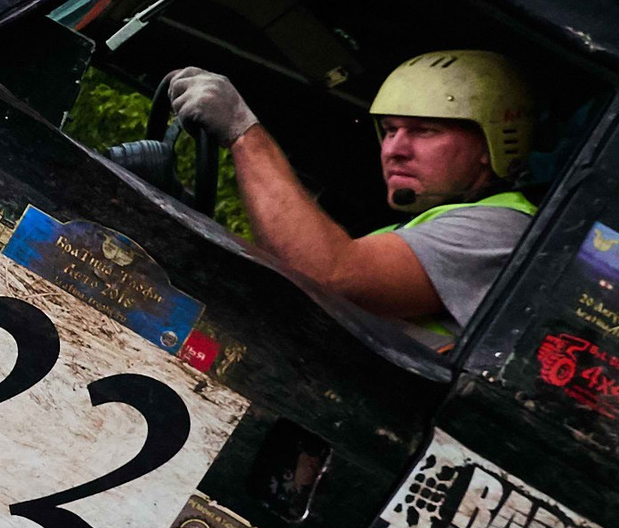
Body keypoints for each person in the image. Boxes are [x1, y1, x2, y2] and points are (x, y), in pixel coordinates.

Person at [163, 49, 535, 342]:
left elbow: (329, 274)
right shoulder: (425, 227)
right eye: (389, 130)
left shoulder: (505, 229)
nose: (394, 149)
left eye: (425, 131)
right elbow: (289, 282)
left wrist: (243, 133)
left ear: (491, 145)